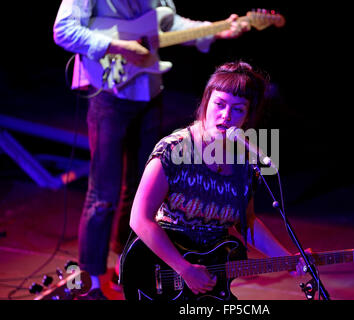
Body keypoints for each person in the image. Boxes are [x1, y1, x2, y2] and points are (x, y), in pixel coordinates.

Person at [53, 0, 250, 300]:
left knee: (141, 192)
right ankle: (90, 281)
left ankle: (128, 266)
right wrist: (118, 46)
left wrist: (216, 31)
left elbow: (169, 24)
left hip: (149, 90)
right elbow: (64, 30)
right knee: (102, 193)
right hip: (108, 90)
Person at [123, 61, 306, 300]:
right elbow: (140, 219)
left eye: (238, 109)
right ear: (206, 102)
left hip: (210, 276)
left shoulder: (245, 161)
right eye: (219, 104)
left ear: (248, 116)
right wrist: (184, 268)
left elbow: (246, 222)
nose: (226, 115)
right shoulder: (174, 150)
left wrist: (288, 259)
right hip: (164, 269)